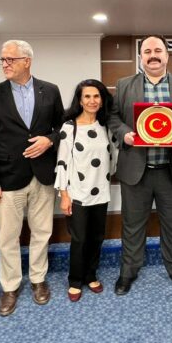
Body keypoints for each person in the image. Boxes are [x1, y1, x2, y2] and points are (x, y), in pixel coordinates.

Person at [107, 35, 172, 295]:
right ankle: (128, 272)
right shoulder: (124, 84)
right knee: (132, 224)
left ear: (167, 55)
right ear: (141, 56)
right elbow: (113, 117)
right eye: (147, 51)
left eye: (158, 50)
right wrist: (125, 134)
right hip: (135, 171)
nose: (153, 55)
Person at [0, 40, 64, 315]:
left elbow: (62, 127)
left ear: (27, 61)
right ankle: (11, 287)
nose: (5, 64)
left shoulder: (50, 90)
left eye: (10, 59)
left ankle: (38, 280)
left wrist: (50, 140)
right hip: (7, 177)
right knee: (8, 237)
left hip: (43, 175)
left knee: (42, 232)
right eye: (2, 59)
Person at [55, 79, 117, 302]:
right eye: (87, 96)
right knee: (79, 239)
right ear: (80, 101)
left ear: (102, 99)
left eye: (96, 96)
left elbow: (113, 157)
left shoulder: (106, 126)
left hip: (101, 191)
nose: (92, 101)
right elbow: (62, 163)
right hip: (77, 193)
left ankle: (91, 275)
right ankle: (75, 280)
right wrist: (64, 195)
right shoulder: (69, 128)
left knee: (97, 237)